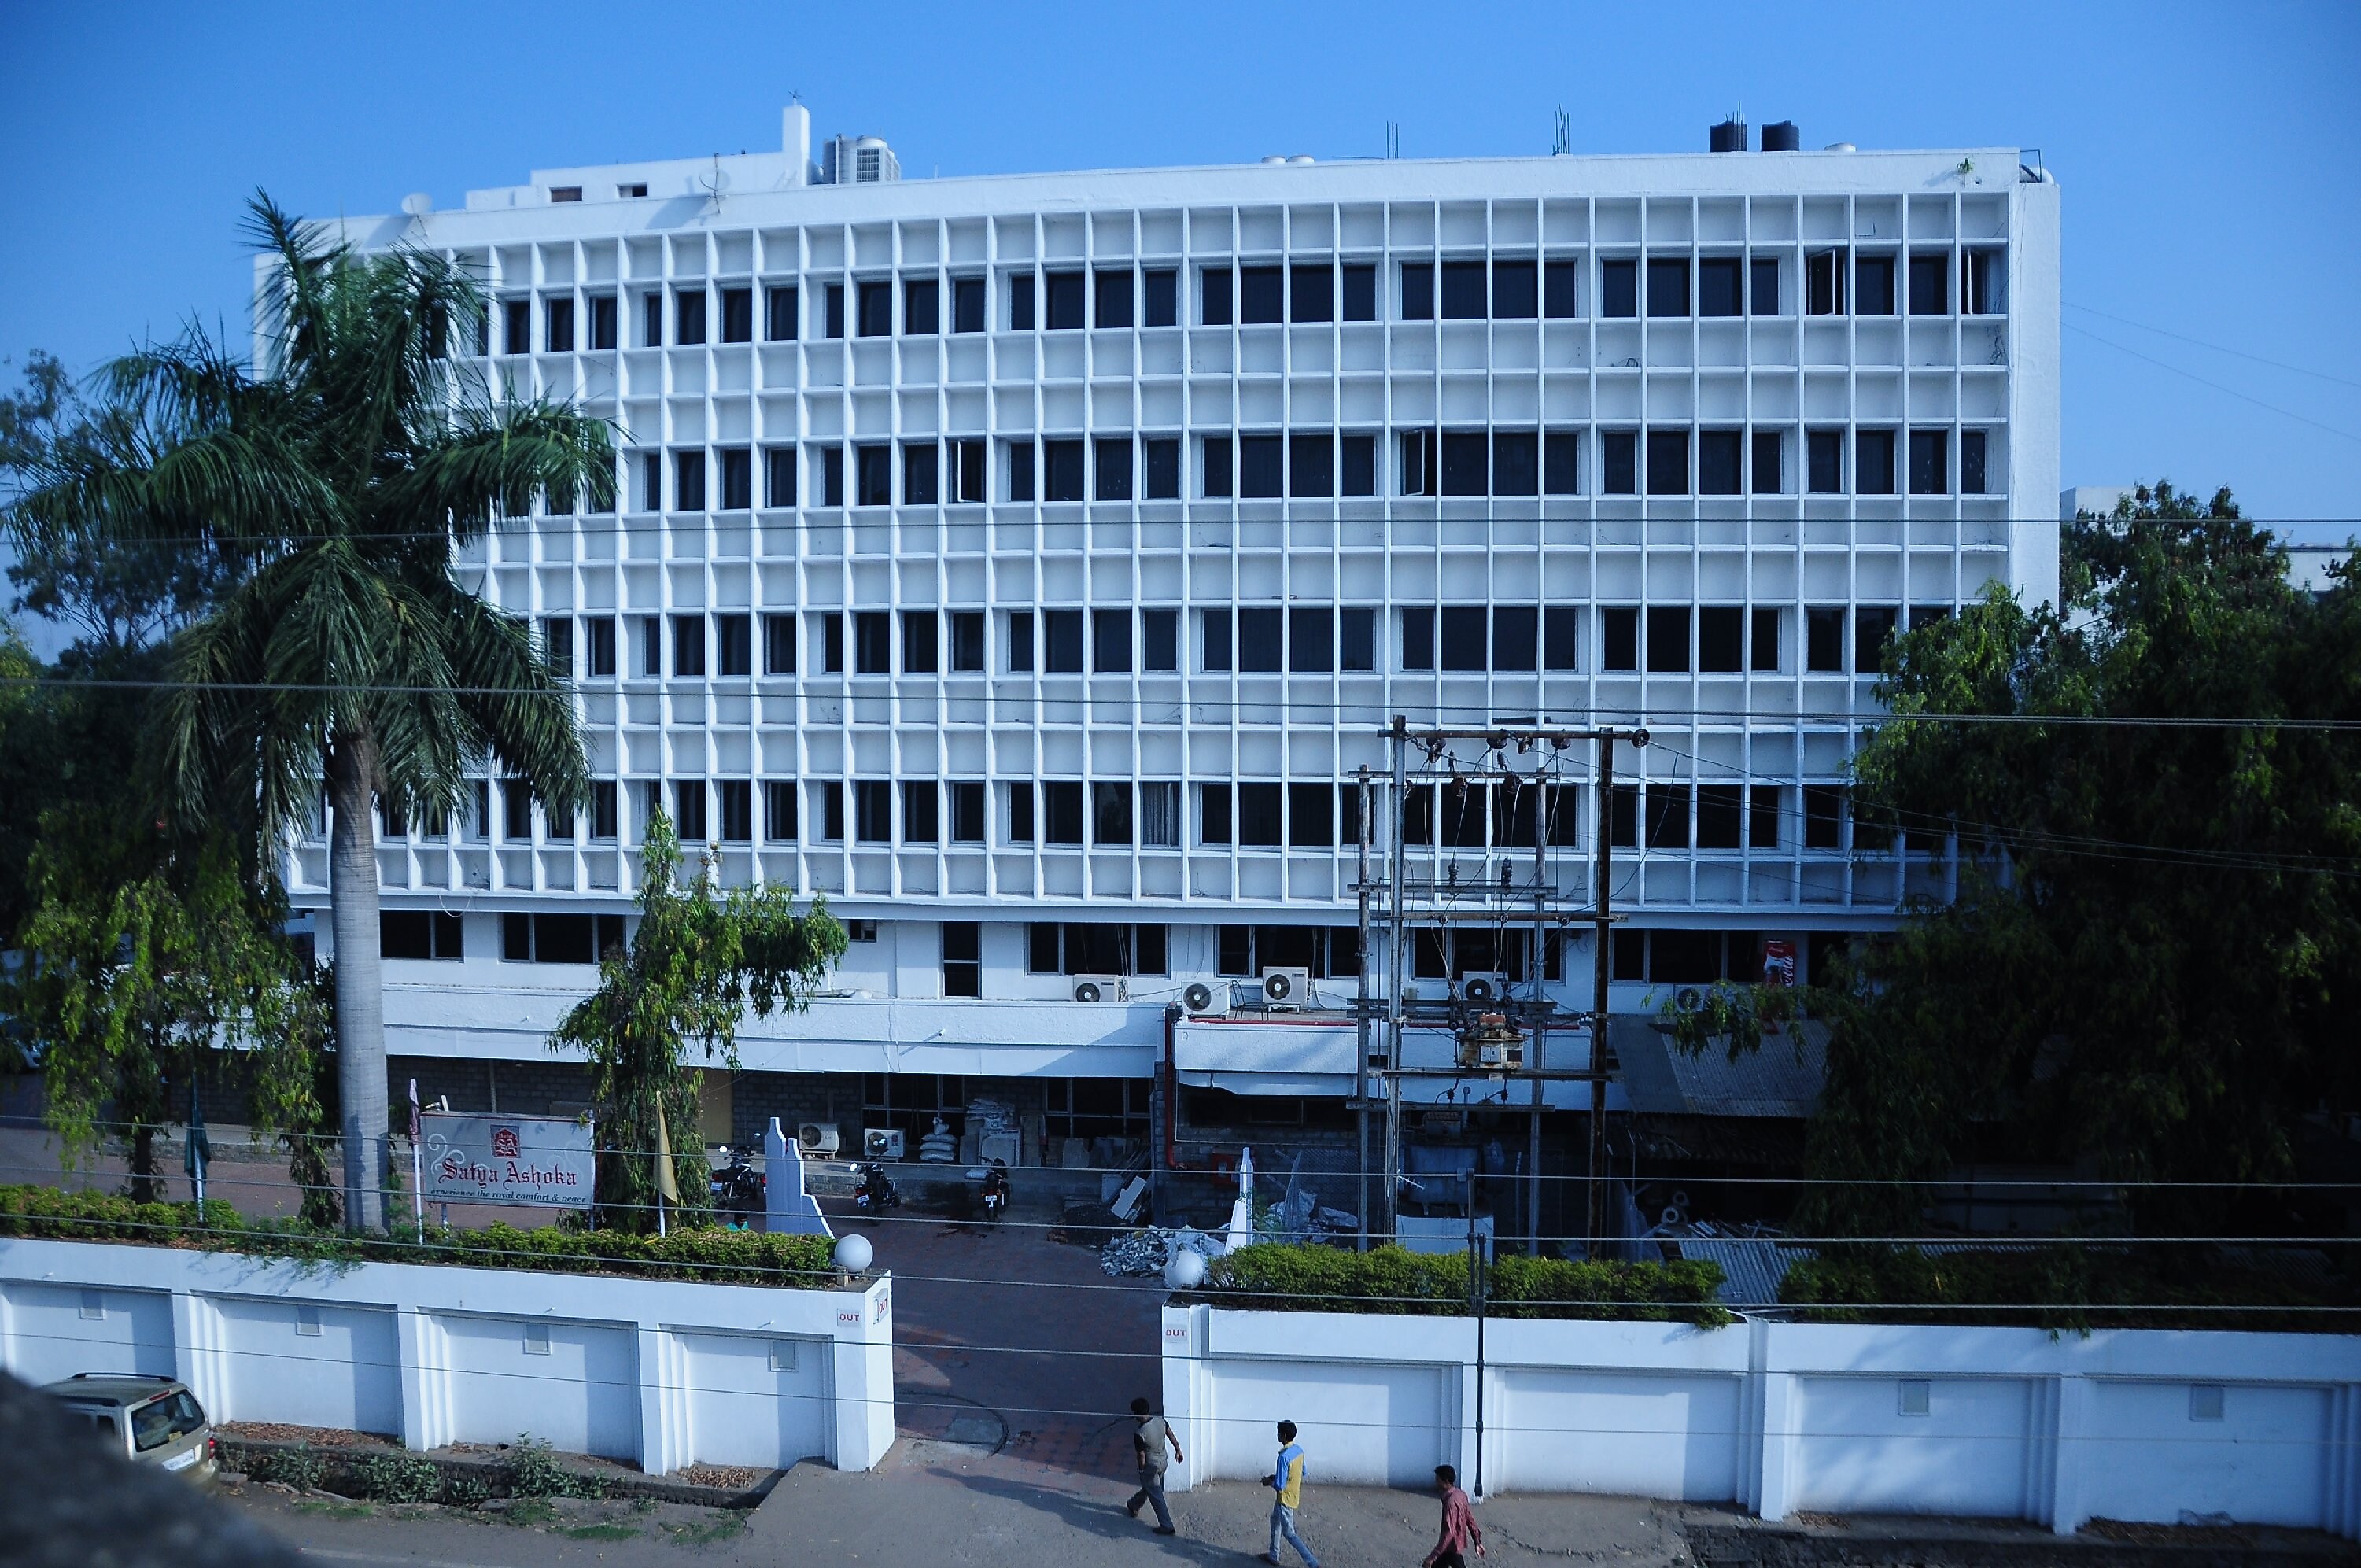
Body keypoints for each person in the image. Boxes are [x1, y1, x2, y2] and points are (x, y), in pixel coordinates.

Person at [1261, 1420, 1319, 1567]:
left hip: (1284, 1499)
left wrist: (1269, 1481)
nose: (1277, 1435)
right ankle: (1273, 1555)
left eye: (1279, 1432)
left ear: (1284, 1436)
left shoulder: (1283, 1457)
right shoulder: (1299, 1451)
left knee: (1290, 1534)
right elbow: (1303, 1472)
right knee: (1275, 1521)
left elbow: (1280, 1485)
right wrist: (1276, 1477)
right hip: (1293, 1495)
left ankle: (1312, 1562)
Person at [1123, 1395, 1182, 1535]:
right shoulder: (1161, 1421)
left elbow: (1141, 1455)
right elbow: (1171, 1435)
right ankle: (1134, 1504)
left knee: (1156, 1494)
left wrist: (1141, 1469)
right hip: (1164, 1462)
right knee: (1151, 1488)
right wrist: (1178, 1450)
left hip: (1151, 1466)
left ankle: (1167, 1525)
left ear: (1137, 1414)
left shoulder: (1140, 1433)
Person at [1423, 1464, 1484, 1567]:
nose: (1436, 1483)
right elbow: (1470, 1519)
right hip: (1453, 1545)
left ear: (1445, 1482)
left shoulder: (1450, 1502)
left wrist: (1433, 1556)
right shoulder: (1461, 1494)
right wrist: (1477, 1542)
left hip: (1450, 1546)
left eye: (1438, 1480)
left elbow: (1449, 1532)